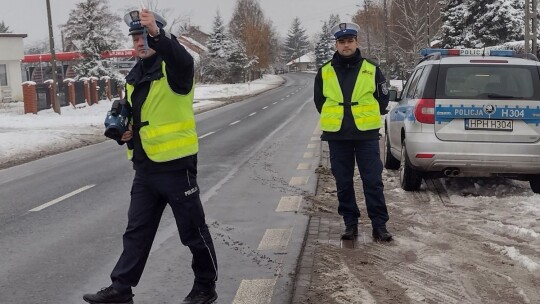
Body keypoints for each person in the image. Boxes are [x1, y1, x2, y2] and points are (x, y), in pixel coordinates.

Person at [83, 9, 218, 304]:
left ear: (156, 36)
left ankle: (206, 286)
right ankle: (121, 287)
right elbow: (138, 119)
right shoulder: (133, 77)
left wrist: (158, 36)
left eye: (144, 35)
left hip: (176, 167)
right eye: (135, 37)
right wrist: (124, 133)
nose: (139, 42)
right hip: (145, 167)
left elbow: (183, 59)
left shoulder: (175, 71)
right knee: (137, 231)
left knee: (192, 231)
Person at [313, 22, 392, 242]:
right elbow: (319, 101)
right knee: (343, 182)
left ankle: (379, 226)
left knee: (373, 181)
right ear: (336, 45)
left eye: (350, 41)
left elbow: (383, 98)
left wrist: (366, 115)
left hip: (366, 135)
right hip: (338, 136)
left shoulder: (371, 68)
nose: (346, 45)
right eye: (341, 42)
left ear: (356, 42)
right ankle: (350, 224)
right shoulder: (324, 71)